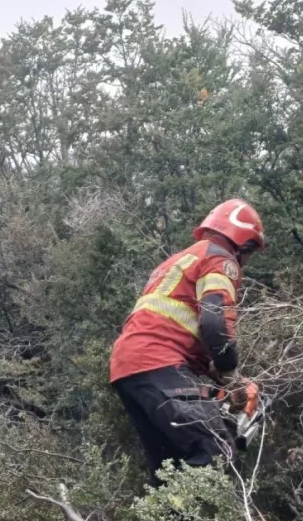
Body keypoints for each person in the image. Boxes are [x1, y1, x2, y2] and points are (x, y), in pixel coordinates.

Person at [109, 199, 264, 484]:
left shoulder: (182, 259)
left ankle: (160, 514)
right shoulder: (220, 260)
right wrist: (231, 374)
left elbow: (179, 329)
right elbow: (215, 323)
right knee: (217, 449)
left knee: (169, 469)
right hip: (158, 361)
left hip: (130, 367)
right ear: (245, 244)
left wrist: (220, 377)